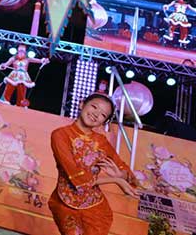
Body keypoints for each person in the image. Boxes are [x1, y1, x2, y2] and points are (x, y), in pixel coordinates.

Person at [48, 93, 139, 235]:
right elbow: (77, 177)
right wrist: (116, 180)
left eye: (103, 115)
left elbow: (127, 173)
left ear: (104, 122)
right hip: (66, 205)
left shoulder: (101, 141)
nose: (96, 114)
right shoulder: (60, 135)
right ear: (82, 104)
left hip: (96, 209)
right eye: (94, 106)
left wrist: (121, 174)